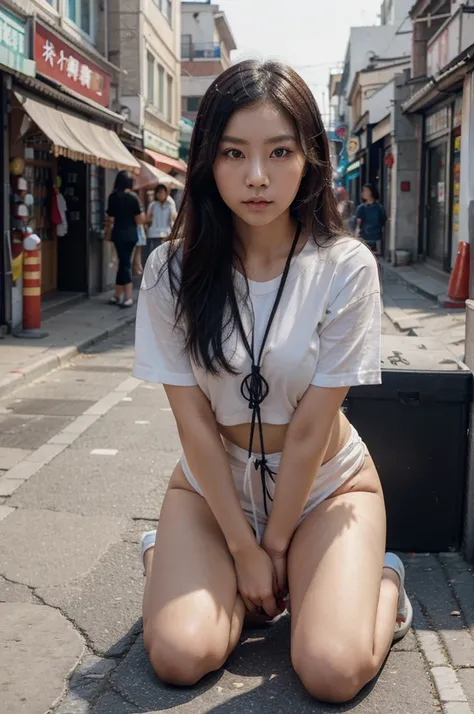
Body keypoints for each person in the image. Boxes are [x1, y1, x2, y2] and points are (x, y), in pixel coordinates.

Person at [133, 59, 412, 704]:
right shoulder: (169, 272)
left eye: (279, 152)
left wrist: (277, 544)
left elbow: (314, 423)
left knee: (330, 669)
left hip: (324, 486)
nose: (257, 176)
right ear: (208, 161)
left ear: (309, 157)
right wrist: (242, 546)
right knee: (181, 654)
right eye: (234, 153)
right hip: (213, 488)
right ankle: (168, 556)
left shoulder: (345, 268)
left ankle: (386, 584)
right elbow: (193, 421)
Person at [105, 171, 145, 307]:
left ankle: (120, 296)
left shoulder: (112, 197)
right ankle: (125, 296)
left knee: (124, 264)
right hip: (131, 235)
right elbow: (140, 220)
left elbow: (110, 219)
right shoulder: (134, 198)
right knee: (124, 264)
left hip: (118, 234)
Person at [356, 184, 387, 255]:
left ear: (371, 192)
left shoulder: (379, 208)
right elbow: (358, 224)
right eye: (363, 191)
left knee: (376, 261)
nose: (363, 193)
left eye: (366, 191)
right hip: (364, 239)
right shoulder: (361, 208)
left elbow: (383, 221)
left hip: (375, 239)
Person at [146, 183, 177, 253]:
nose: (160, 195)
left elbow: (173, 218)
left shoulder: (170, 204)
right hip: (154, 234)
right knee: (155, 253)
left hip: (166, 233)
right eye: (158, 192)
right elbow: (148, 219)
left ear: (166, 193)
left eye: (162, 192)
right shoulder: (152, 205)